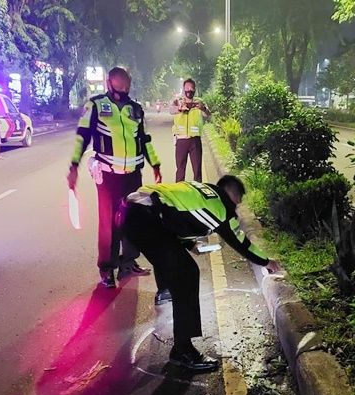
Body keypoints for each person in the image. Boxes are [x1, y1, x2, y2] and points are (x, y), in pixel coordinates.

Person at [118, 175, 281, 371]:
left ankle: (165, 294)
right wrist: (267, 262)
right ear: (231, 194)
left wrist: (190, 243)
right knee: (187, 273)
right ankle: (183, 352)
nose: (235, 209)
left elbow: (174, 217)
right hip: (145, 218)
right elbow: (240, 242)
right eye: (237, 202)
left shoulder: (199, 190)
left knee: (173, 259)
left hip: (132, 210)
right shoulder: (221, 206)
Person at [67, 67, 162, 289]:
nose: (123, 90)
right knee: (109, 225)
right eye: (119, 87)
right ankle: (107, 269)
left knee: (132, 220)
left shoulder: (135, 109)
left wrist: (155, 164)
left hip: (132, 175)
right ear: (109, 84)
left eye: (126, 86)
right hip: (108, 176)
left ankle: (128, 262)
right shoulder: (96, 105)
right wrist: (74, 166)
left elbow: (144, 139)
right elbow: (82, 137)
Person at [169, 78, 210, 182]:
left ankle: (198, 193)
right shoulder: (177, 101)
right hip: (181, 140)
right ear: (183, 89)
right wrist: (180, 108)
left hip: (195, 140)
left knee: (197, 171)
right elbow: (171, 110)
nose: (189, 90)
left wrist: (203, 109)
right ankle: (179, 192)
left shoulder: (199, 103)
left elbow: (208, 115)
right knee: (180, 170)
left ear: (195, 89)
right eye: (187, 88)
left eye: (191, 88)